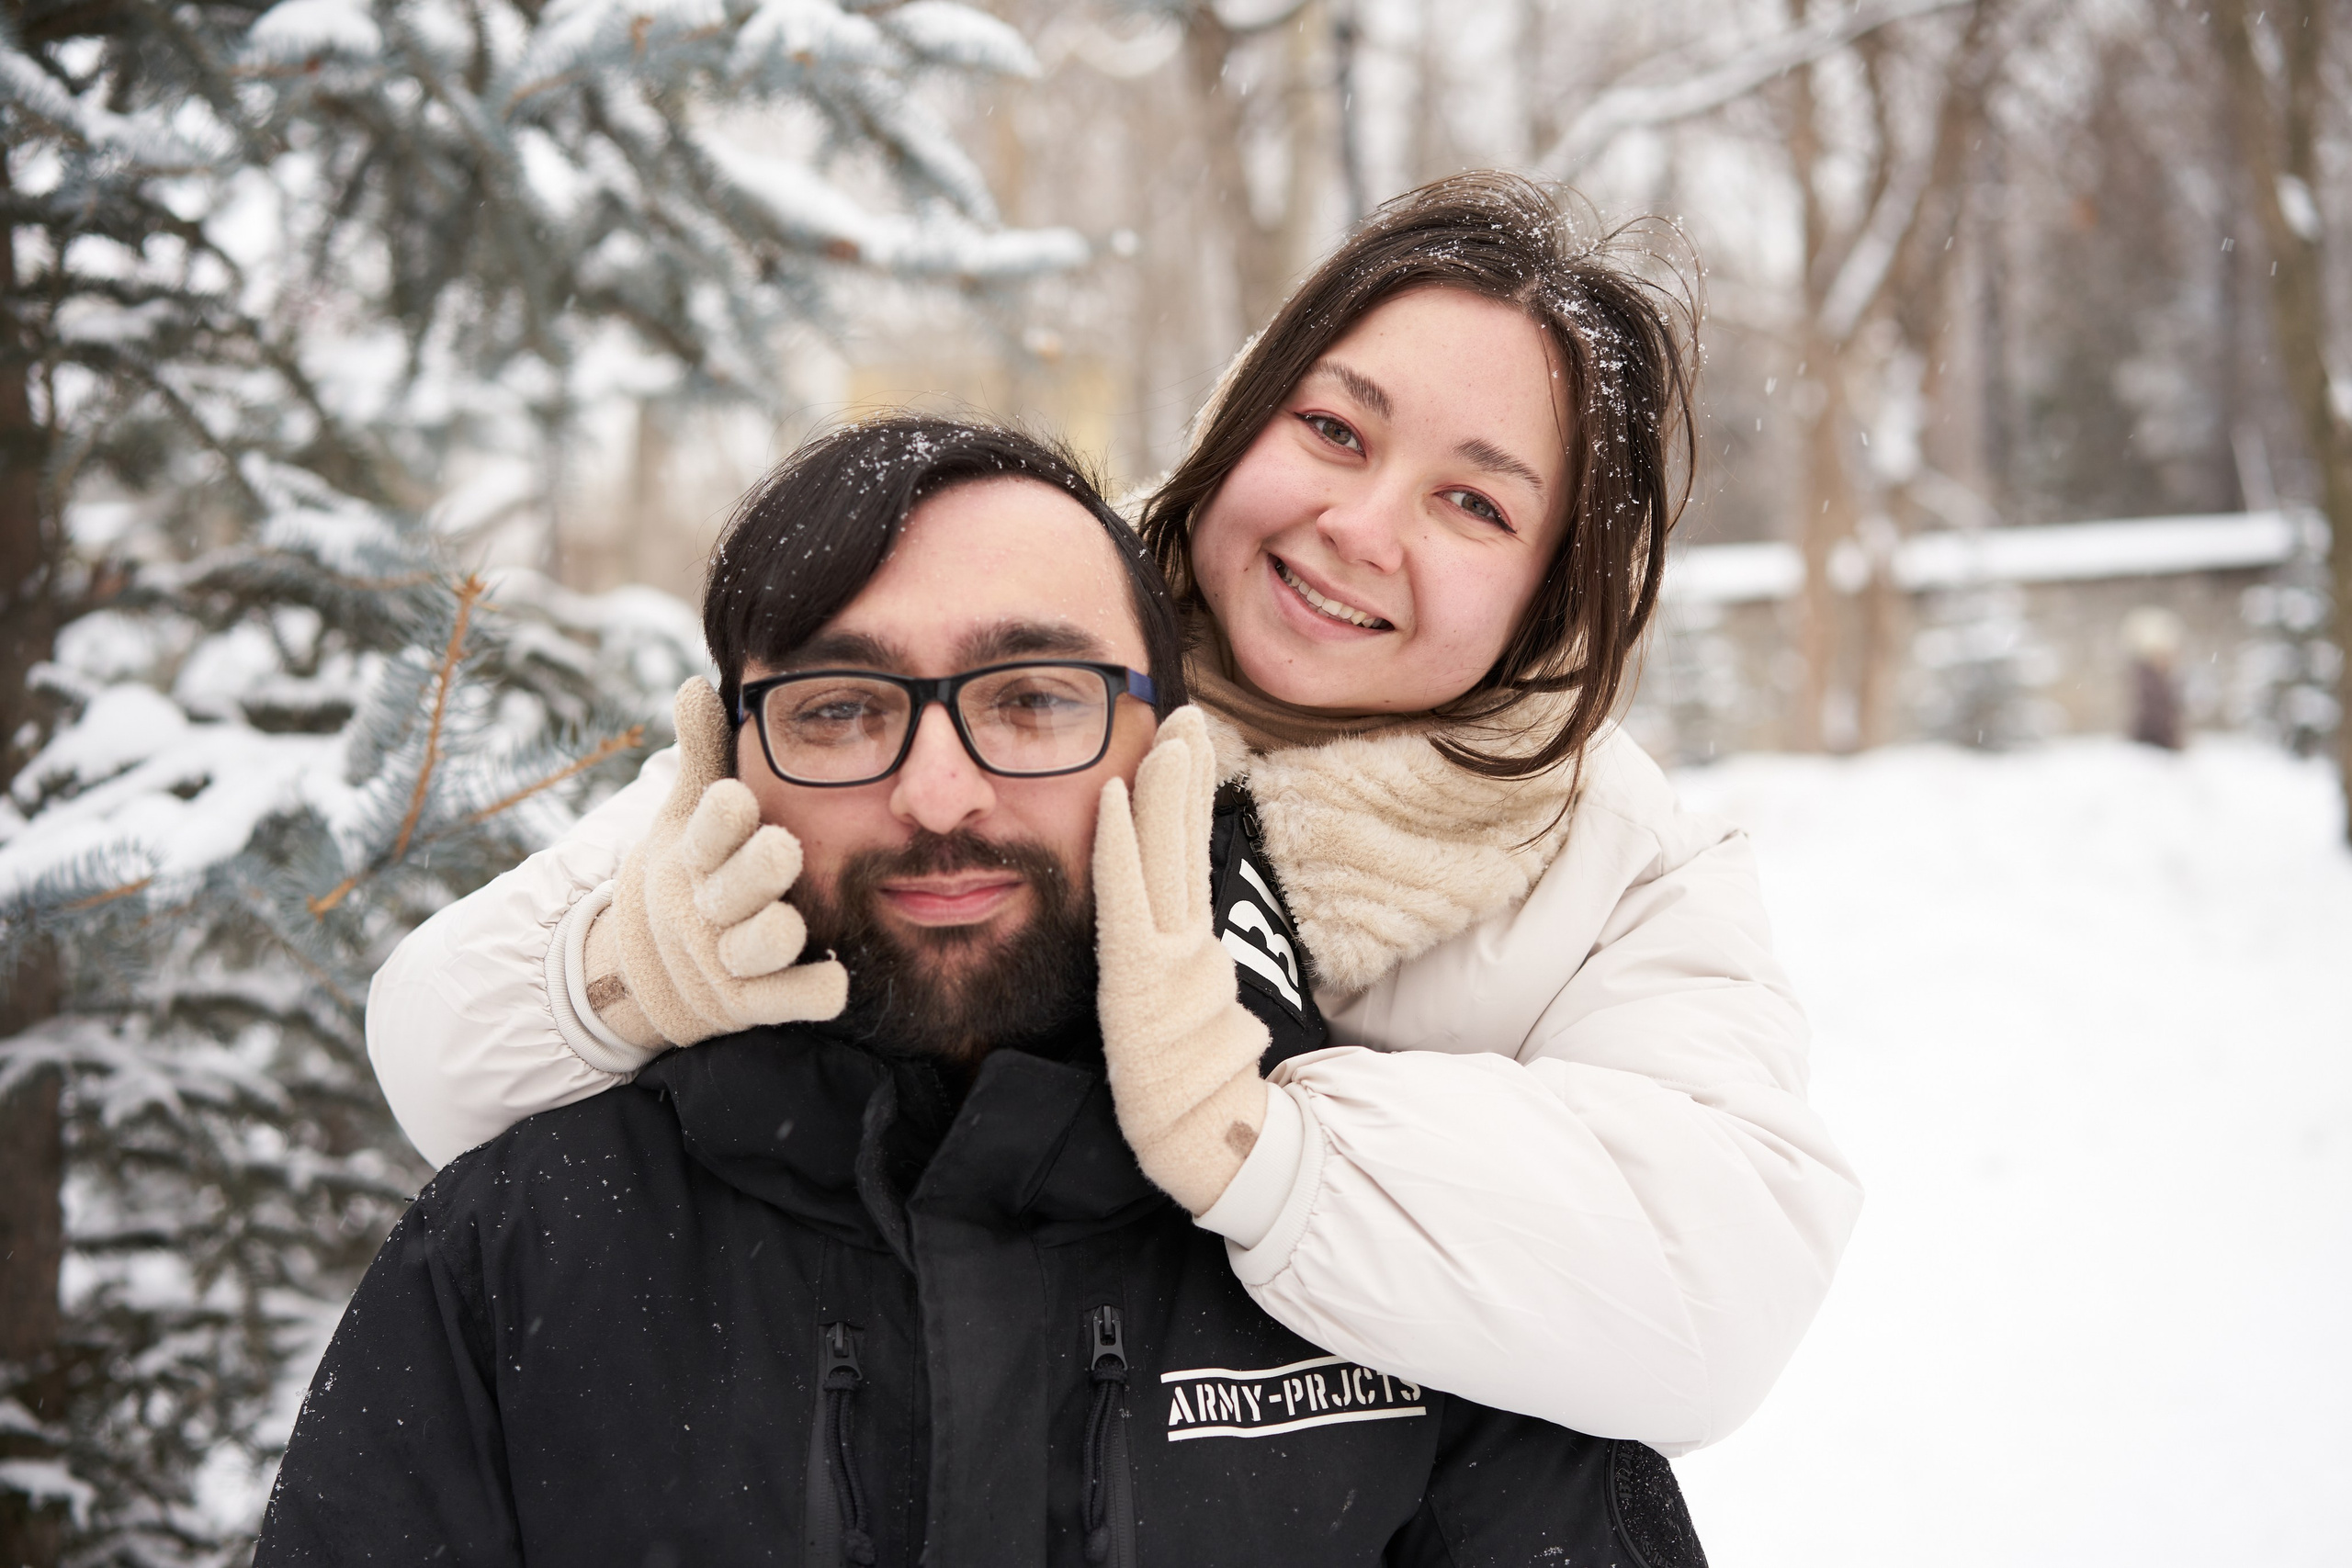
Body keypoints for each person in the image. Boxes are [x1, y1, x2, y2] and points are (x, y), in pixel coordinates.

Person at [367, 171, 1863, 1453]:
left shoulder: (1605, 860)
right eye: (1337, 432)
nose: (1359, 526)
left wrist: (1265, 1139)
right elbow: (437, 1059)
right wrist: (617, 972)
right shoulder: (1009, 644)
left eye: (1474, 503)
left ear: (1552, 590)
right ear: (1238, 423)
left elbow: (1714, 1292)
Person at [256, 421, 1709, 1568]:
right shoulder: (519, 1254)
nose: (936, 794)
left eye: (1032, 699)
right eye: (841, 709)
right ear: (722, 764)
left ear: (1164, 755)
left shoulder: (1400, 1241)